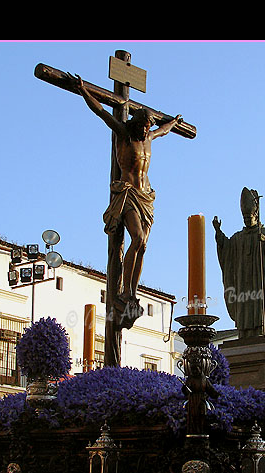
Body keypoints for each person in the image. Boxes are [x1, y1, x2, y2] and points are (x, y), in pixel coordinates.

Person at [70, 73, 183, 322]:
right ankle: (123, 290)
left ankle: (132, 291)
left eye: (147, 128)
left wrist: (174, 123)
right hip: (128, 194)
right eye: (142, 128)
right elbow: (102, 112)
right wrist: (83, 90)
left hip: (146, 197)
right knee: (138, 238)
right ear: (135, 125)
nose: (145, 132)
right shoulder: (124, 133)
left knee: (142, 245)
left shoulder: (150, 137)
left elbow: (163, 130)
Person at [214, 187, 265, 339]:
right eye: (244, 217)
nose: (247, 220)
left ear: (256, 214)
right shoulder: (238, 238)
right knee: (245, 313)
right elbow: (227, 252)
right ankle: (245, 336)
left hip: (262, 288)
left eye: (249, 217)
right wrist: (219, 234)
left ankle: (264, 332)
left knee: (263, 316)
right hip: (244, 287)